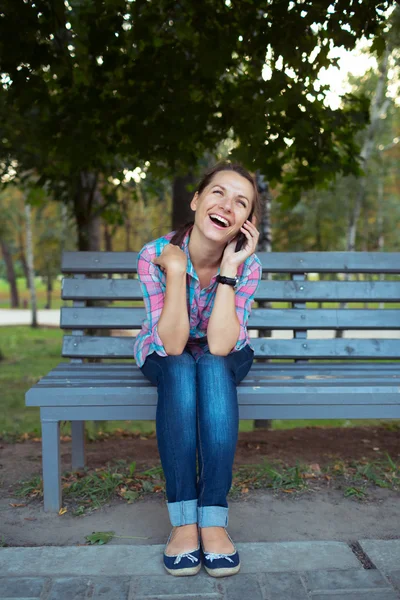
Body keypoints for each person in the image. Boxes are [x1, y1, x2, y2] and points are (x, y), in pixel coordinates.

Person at [133, 161, 262, 577]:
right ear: (196, 200)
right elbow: (171, 345)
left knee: (208, 364)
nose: (227, 205)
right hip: (166, 352)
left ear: (246, 223)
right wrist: (175, 269)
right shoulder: (154, 256)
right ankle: (184, 520)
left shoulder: (248, 266)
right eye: (218, 193)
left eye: (241, 202)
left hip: (223, 353)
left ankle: (212, 518)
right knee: (181, 368)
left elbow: (222, 345)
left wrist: (228, 271)